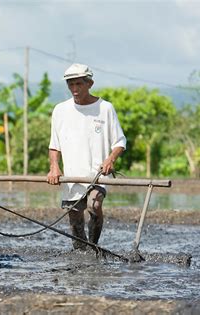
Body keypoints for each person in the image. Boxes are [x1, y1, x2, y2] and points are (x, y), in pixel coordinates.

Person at [47, 63, 126, 250]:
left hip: (97, 175)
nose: (74, 89)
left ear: (89, 83)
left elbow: (119, 142)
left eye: (78, 84)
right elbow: (54, 145)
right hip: (71, 176)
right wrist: (54, 167)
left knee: (94, 204)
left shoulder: (105, 108)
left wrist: (110, 159)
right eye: (70, 85)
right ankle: (81, 251)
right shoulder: (60, 110)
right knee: (74, 217)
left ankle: (94, 246)